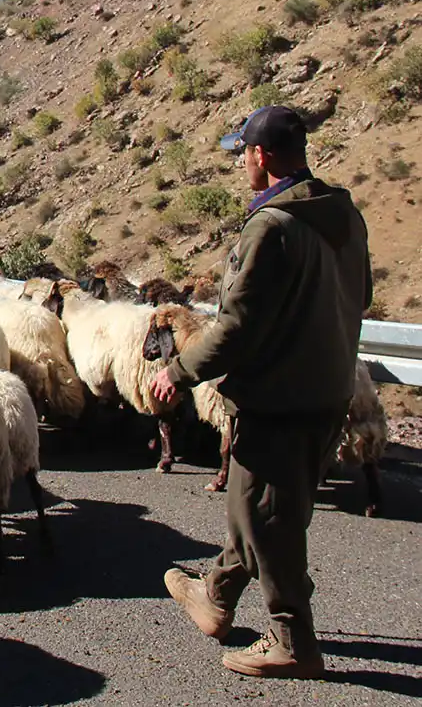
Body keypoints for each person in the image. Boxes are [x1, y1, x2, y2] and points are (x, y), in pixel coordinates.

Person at [149, 105, 372, 679]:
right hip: (329, 391)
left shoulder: (270, 227)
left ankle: (291, 639)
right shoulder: (342, 215)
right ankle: (217, 593)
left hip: (280, 396)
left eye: (243, 152)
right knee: (268, 508)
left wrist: (176, 373)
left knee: (265, 518)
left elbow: (236, 327)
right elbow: (361, 296)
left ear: (261, 154)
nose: (241, 162)